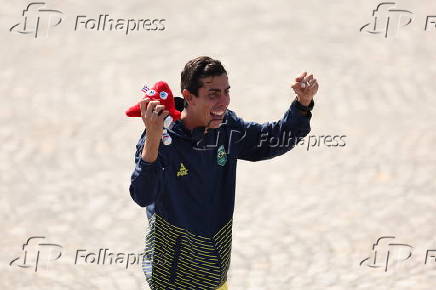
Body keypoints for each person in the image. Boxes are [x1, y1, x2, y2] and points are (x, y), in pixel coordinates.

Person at [129, 56, 319, 290]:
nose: (223, 102)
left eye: (226, 92)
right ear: (189, 97)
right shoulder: (164, 139)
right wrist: (153, 138)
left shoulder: (227, 128)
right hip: (172, 277)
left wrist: (302, 105)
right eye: (213, 94)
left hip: (213, 271)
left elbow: (271, 140)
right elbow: (142, 194)